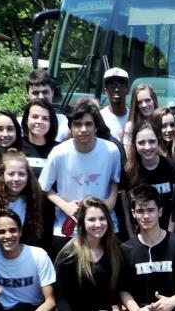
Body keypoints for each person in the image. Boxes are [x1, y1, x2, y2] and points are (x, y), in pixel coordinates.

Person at [51, 197, 128, 311]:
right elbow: (60, 296)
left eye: (102, 218)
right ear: (82, 222)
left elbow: (116, 285)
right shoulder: (68, 254)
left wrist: (116, 308)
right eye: (91, 219)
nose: (98, 224)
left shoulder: (114, 248)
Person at [41, 100, 122, 237]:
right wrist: (65, 206)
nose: (83, 129)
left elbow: (115, 179)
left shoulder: (110, 150)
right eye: (77, 124)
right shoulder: (59, 152)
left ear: (96, 127)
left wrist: (111, 201)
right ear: (70, 128)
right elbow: (44, 187)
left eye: (88, 124)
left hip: (103, 226)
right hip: (69, 228)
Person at [0, 150, 53, 249]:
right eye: (11, 174)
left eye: (21, 174)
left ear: (28, 176)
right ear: (2, 174)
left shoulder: (34, 199)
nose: (16, 179)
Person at [123, 119, 175, 220]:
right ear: (135, 144)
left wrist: (169, 233)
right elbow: (126, 208)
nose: (147, 147)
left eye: (152, 141)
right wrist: (131, 234)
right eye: (141, 142)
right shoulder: (128, 172)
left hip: (168, 229)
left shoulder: (173, 167)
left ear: (158, 141)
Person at [19, 100, 59, 180]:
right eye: (35, 117)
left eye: (45, 118)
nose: (39, 121)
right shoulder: (16, 146)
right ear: (26, 120)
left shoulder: (59, 149)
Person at [100, 67, 132, 141]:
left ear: (127, 90)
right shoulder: (99, 118)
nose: (117, 89)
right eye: (112, 86)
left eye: (121, 85)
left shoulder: (134, 117)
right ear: (105, 91)